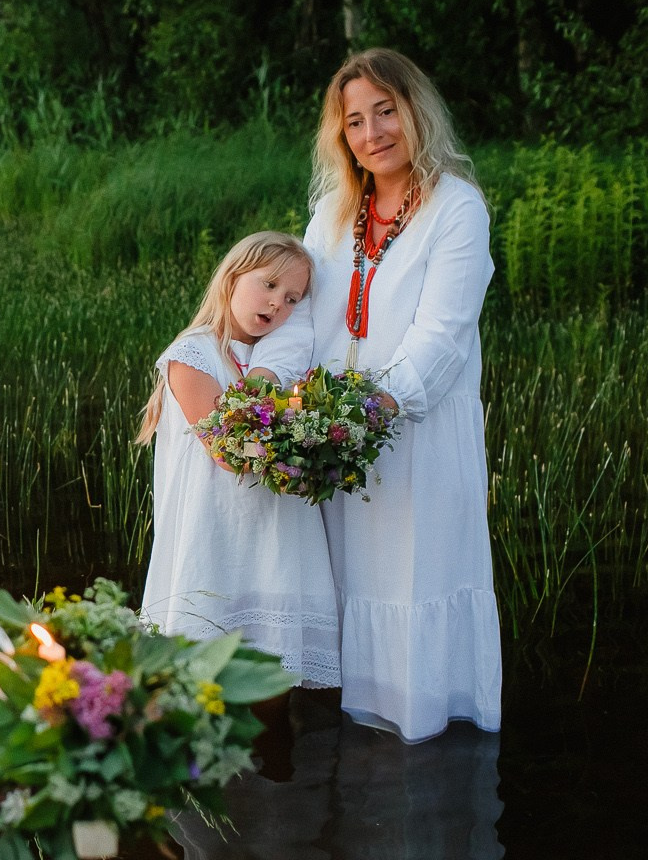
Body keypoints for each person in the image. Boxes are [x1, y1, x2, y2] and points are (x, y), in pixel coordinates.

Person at [252, 48, 502, 742]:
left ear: (414, 109)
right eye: (354, 121)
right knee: (344, 584)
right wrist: (275, 397)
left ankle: (422, 730)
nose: (372, 133)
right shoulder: (334, 209)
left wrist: (362, 416)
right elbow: (299, 315)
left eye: (384, 112)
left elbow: (442, 339)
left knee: (412, 573)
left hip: (416, 433)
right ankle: (351, 730)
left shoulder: (457, 208)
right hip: (337, 444)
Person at [136, 232, 340, 688]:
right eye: (268, 285)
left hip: (273, 538)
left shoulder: (276, 360)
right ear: (232, 277)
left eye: (291, 299)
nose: (277, 305)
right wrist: (289, 454)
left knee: (272, 677)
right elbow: (225, 450)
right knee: (207, 677)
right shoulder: (193, 355)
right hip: (213, 537)